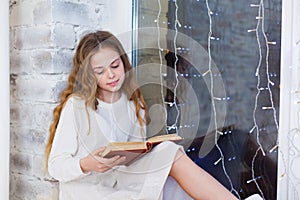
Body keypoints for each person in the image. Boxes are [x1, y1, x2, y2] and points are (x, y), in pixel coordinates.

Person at [45, 30, 238, 200]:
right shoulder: (77, 106)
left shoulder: (132, 104)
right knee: (167, 180)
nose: (111, 75)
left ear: (124, 62)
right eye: (100, 71)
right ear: (89, 74)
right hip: (89, 191)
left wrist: (147, 151)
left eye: (114, 66)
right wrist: (86, 164)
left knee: (169, 152)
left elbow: (134, 152)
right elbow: (54, 166)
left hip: (121, 180)